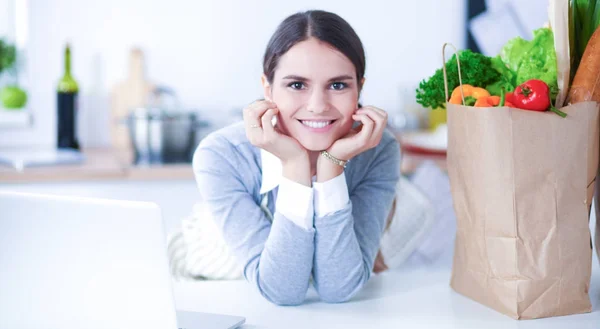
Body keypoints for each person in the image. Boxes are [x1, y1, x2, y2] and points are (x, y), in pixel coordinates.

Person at [192, 9, 401, 305]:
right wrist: (294, 166)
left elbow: (339, 289)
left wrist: (331, 168)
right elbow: (281, 291)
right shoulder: (221, 156)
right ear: (268, 87)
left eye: (338, 85)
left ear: (360, 88)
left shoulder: (379, 150)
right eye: (297, 85)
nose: (317, 106)